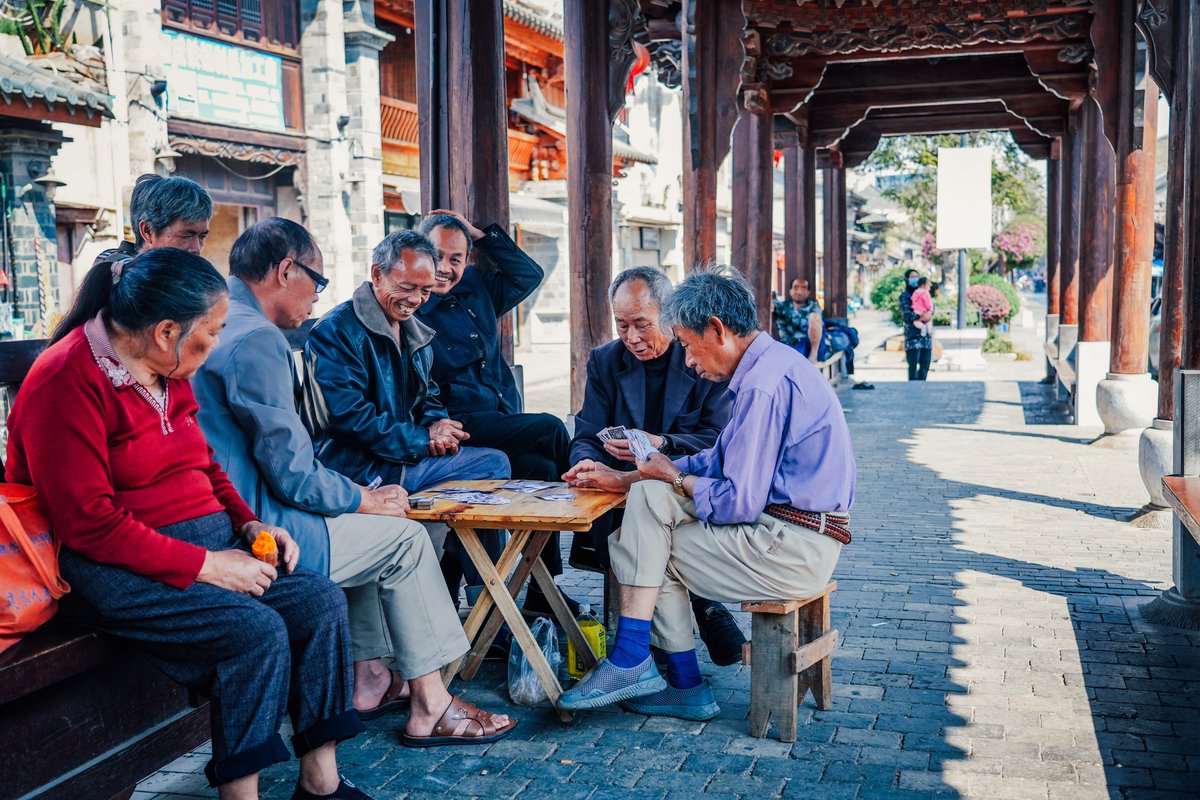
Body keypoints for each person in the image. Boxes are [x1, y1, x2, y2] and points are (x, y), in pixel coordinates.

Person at [7, 249, 371, 800]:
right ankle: (240, 795)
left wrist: (249, 527)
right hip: (112, 565)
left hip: (208, 546)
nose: (214, 346)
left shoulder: (171, 368)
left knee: (318, 601)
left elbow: (203, 463)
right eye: (210, 333)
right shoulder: (65, 379)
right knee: (253, 631)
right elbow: (89, 525)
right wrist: (208, 567)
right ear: (165, 331)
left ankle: (321, 784)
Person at [193, 218, 516, 746]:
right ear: (285, 271)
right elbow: (295, 471)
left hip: (219, 512)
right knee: (404, 535)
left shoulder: (215, 321)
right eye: (316, 281)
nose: (317, 296)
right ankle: (431, 703)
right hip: (255, 528)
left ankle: (370, 676)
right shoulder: (258, 339)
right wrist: (362, 497)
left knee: (382, 526)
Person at [559, 266, 855, 722]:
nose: (689, 359)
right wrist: (640, 476)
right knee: (647, 512)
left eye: (688, 344)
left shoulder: (761, 385)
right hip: (790, 533)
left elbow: (739, 499)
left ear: (716, 330)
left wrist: (672, 479)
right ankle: (650, 667)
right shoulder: (772, 364)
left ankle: (662, 672)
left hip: (792, 547)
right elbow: (718, 457)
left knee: (639, 549)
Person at [303, 230, 511, 605]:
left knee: (495, 461)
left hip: (402, 455)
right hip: (361, 468)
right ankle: (485, 604)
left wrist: (440, 427)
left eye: (426, 291)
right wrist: (422, 438)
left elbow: (427, 394)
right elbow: (348, 417)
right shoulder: (336, 331)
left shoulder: (413, 328)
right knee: (489, 470)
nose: (416, 299)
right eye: (407, 287)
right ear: (377, 274)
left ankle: (484, 600)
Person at [568, 267, 746, 666]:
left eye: (642, 325)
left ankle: (656, 645)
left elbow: (720, 437)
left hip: (685, 487)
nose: (631, 338)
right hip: (621, 492)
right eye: (622, 325)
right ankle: (707, 610)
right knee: (638, 506)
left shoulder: (702, 356)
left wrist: (663, 445)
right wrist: (585, 465)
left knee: (656, 503)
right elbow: (586, 433)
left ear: (667, 315)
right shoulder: (604, 361)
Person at [415, 211, 574, 614]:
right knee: (552, 429)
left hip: (499, 420)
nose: (445, 268)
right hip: (463, 428)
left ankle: (541, 586)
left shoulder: (477, 289)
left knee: (540, 467)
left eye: (456, 258)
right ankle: (580, 546)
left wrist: (478, 236)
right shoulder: (413, 309)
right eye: (437, 256)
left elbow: (528, 274)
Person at [92, 173, 212, 266]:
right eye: (186, 235)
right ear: (148, 231)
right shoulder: (118, 272)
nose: (196, 248)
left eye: (202, 237)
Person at [772, 278, 827, 363]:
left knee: (814, 317)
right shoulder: (784, 306)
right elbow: (773, 305)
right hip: (791, 345)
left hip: (809, 343)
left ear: (808, 292)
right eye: (796, 288)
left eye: (803, 288)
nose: (799, 292)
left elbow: (810, 322)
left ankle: (813, 356)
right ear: (790, 291)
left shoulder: (813, 306)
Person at [900, 268, 933, 380]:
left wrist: (928, 314)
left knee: (925, 365)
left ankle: (922, 390)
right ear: (907, 279)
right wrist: (921, 316)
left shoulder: (925, 292)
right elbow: (906, 314)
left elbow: (931, 307)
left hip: (925, 337)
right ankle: (913, 390)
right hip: (912, 336)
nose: (915, 279)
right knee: (913, 366)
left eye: (916, 276)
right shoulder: (905, 296)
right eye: (912, 277)